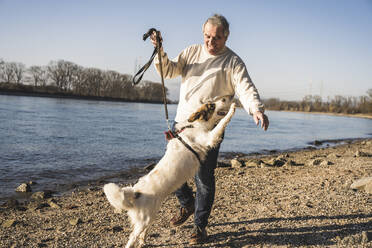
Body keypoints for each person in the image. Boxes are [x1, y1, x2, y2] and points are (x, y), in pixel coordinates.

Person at [150, 14, 269, 244]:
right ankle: (187, 204)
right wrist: (159, 52)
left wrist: (256, 109)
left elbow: (245, 88)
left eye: (217, 38)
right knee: (171, 170)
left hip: (209, 130)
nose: (211, 43)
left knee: (204, 178)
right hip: (183, 124)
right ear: (202, 34)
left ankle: (200, 226)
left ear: (226, 37)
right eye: (207, 36)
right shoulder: (192, 52)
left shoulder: (233, 62)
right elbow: (169, 71)